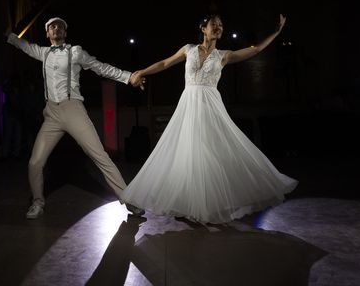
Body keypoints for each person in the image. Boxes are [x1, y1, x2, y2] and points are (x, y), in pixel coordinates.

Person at [120, 13, 298, 224]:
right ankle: (185, 204)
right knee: (186, 154)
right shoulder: (189, 49)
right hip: (188, 105)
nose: (219, 27)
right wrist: (142, 72)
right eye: (214, 24)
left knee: (209, 153)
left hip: (210, 106)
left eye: (221, 25)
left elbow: (256, 50)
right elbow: (165, 63)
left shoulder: (224, 55)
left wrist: (276, 32)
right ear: (203, 28)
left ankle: (208, 206)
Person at [6, 17, 145, 219]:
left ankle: (129, 199)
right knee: (35, 162)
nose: (56, 28)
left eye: (60, 26)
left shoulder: (75, 52)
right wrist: (8, 35)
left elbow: (101, 67)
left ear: (65, 32)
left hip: (73, 109)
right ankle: (37, 202)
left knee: (100, 156)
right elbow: (23, 45)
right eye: (52, 26)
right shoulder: (43, 53)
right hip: (52, 113)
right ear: (47, 33)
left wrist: (128, 76)